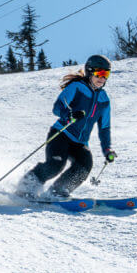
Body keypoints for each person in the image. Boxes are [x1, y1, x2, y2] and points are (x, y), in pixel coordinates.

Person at [16, 55, 116, 199]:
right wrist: (69, 115)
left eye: (106, 74)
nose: (103, 78)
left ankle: (57, 191)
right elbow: (58, 107)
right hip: (61, 134)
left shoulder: (104, 99)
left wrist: (107, 149)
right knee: (55, 165)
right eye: (99, 73)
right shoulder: (77, 87)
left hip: (80, 142)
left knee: (84, 167)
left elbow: (105, 127)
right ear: (89, 72)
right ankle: (25, 188)